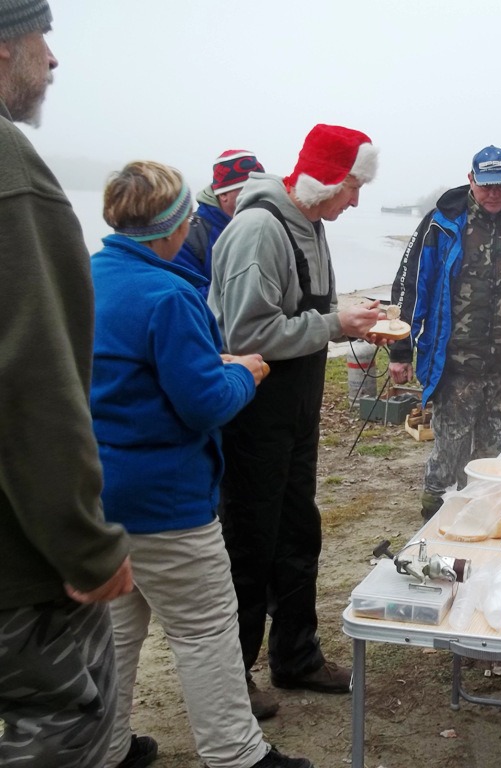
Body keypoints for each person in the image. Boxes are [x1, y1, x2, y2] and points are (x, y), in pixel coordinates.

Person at [92, 161, 315, 768]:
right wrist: (243, 371)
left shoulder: (86, 276)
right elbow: (204, 404)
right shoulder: (168, 295)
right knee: (205, 631)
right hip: (167, 502)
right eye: (188, 214)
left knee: (116, 631)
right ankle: (237, 755)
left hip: (97, 498)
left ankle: (106, 749)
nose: (194, 221)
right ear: (170, 225)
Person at [209, 123, 383, 716]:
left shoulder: (310, 221)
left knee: (296, 532)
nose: (356, 200)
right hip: (255, 413)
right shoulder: (259, 230)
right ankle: (232, 679)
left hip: (298, 411)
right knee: (249, 545)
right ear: (325, 180)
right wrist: (337, 325)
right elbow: (246, 333)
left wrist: (348, 311)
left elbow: (302, 310)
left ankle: (296, 656)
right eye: (352, 186)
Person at [0, 3, 134, 765]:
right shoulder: (12, 172)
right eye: (40, 44)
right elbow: (29, 382)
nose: (53, 62)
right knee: (65, 723)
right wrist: (86, 547)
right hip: (22, 571)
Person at [389, 145, 501, 519]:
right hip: (455, 368)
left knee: (497, 462)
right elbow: (409, 288)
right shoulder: (441, 225)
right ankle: (433, 522)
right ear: (471, 180)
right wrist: (399, 352)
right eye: (486, 186)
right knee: (447, 457)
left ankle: (487, 524)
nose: (493, 195)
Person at [173, 148, 265, 297]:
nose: (259, 194)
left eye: (261, 187)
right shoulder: (190, 237)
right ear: (223, 194)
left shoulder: (271, 226)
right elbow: (187, 295)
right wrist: (249, 293)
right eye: (249, 188)